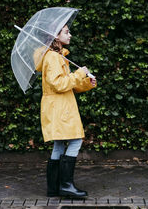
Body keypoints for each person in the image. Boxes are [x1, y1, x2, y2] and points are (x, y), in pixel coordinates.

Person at [35, 24, 97, 198]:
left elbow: (67, 84)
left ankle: (54, 188)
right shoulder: (53, 57)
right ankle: (66, 186)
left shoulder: (57, 56)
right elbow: (59, 84)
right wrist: (79, 73)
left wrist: (85, 83)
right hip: (60, 108)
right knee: (76, 141)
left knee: (59, 144)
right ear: (56, 36)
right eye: (66, 32)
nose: (70, 35)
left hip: (57, 106)